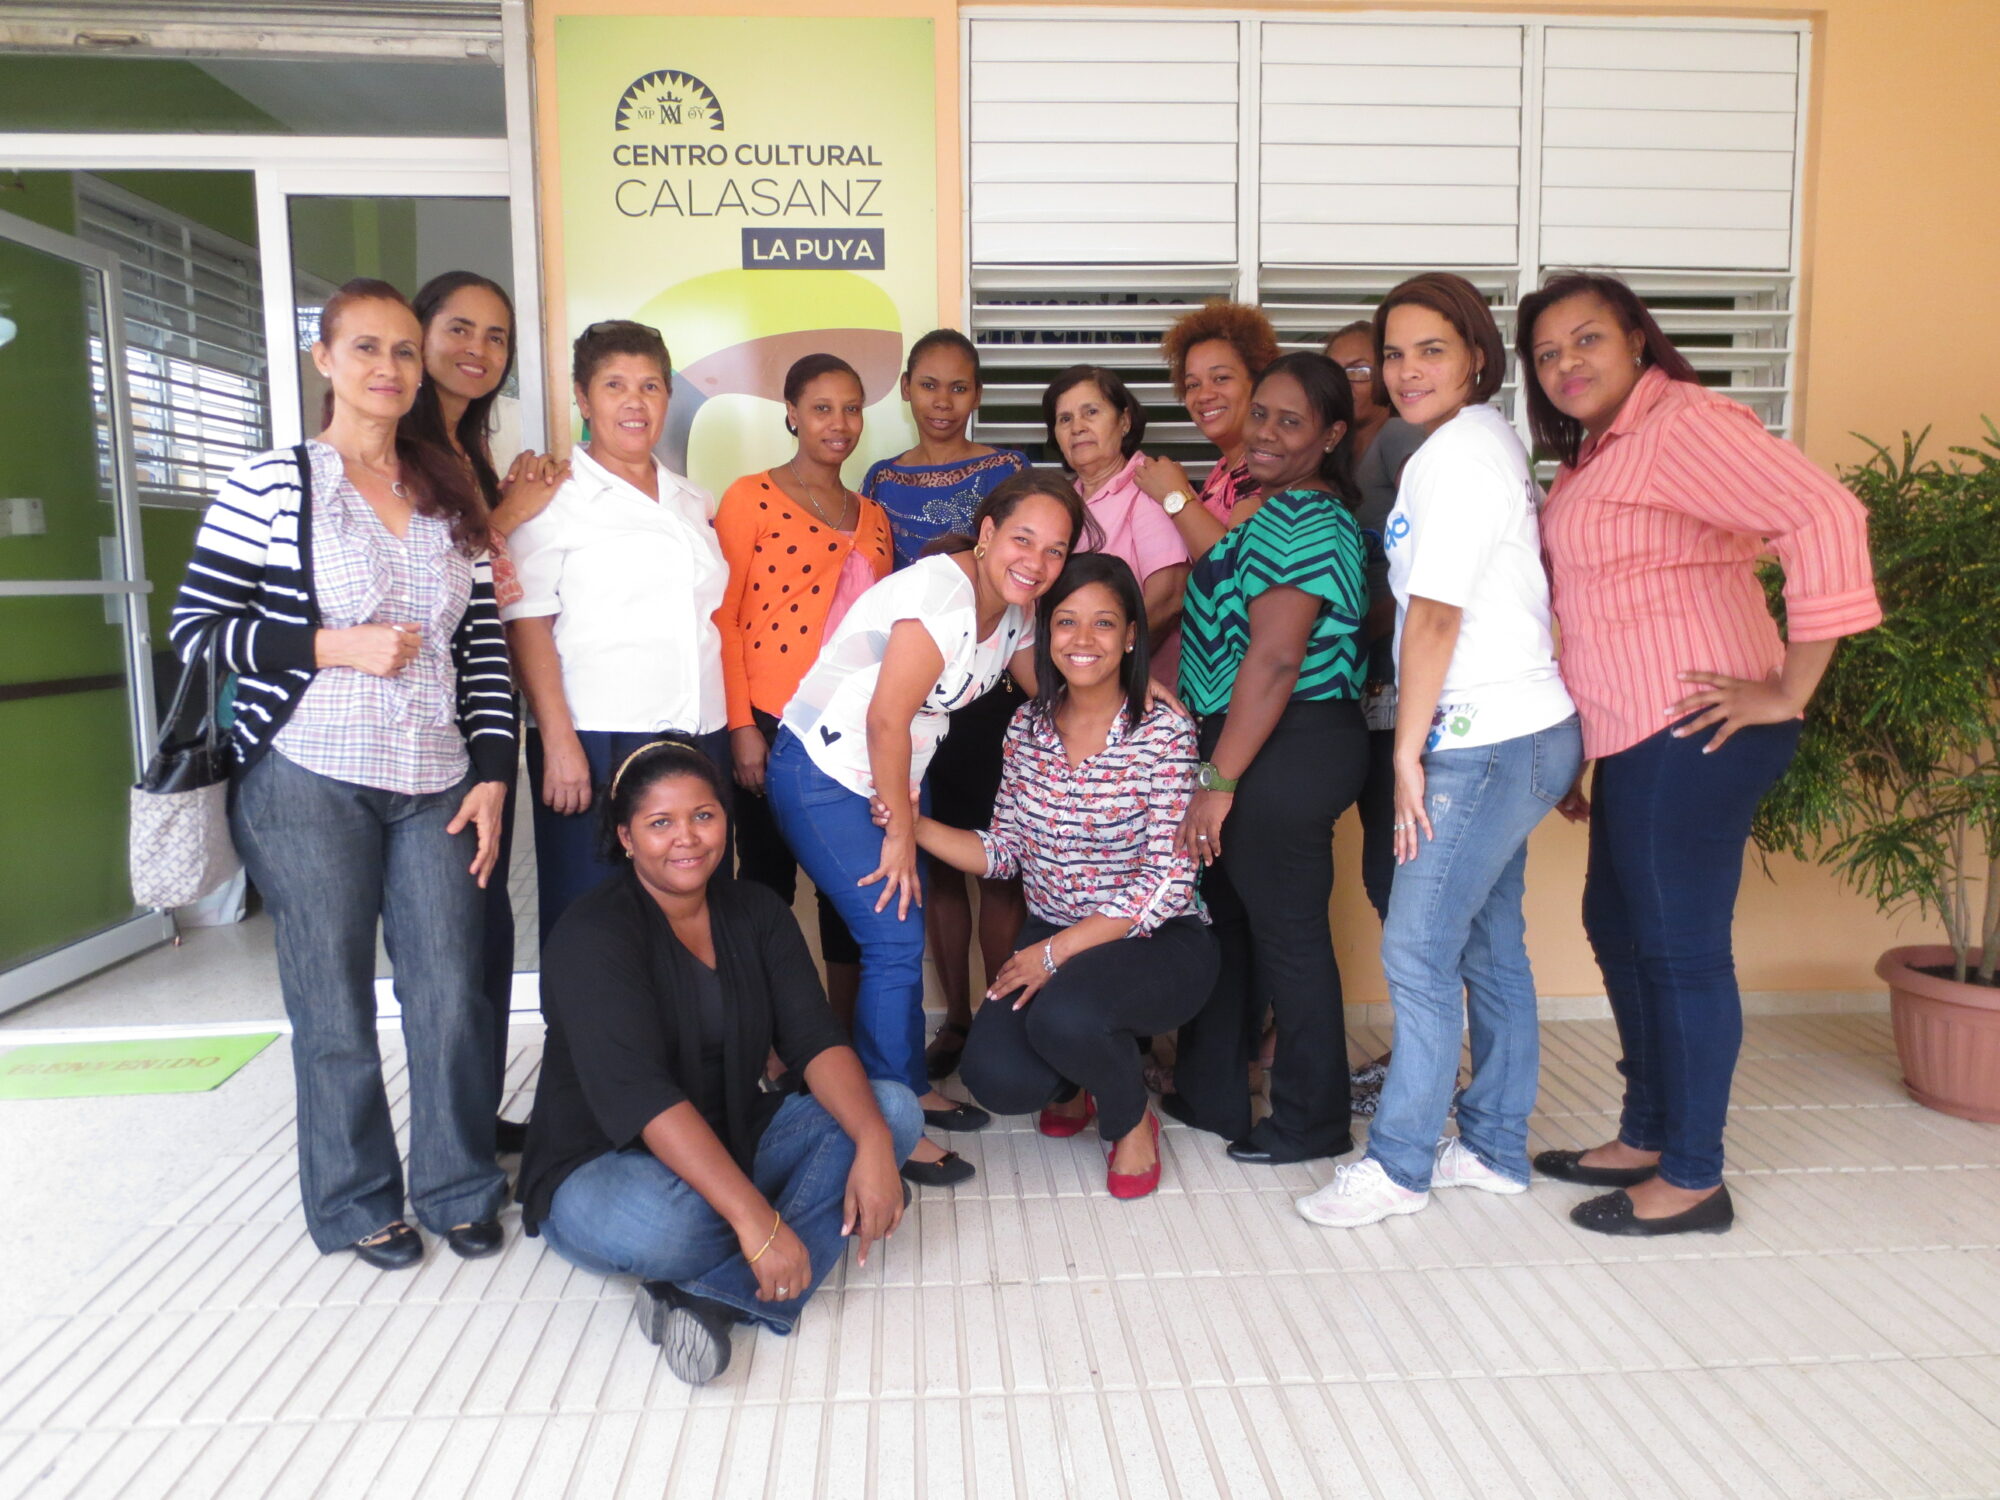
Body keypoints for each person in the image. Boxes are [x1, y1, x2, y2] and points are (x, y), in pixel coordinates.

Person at [1517, 271, 1880, 1237]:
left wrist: (1791, 688)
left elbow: (1825, 515)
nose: (1565, 364)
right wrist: (1585, 744)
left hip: (1695, 730)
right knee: (1617, 924)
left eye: (1586, 340)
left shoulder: (1683, 422)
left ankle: (1692, 1179)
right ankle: (1646, 1133)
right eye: (1546, 354)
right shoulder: (1603, 449)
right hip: (1637, 731)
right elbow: (1604, 607)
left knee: (1678, 950)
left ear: (1637, 338)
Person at [169, 279, 513, 1268]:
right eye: (366, 348)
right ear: (324, 359)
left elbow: (480, 645)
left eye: (404, 351)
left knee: (451, 988)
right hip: (307, 774)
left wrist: (494, 769)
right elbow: (196, 630)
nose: (388, 368)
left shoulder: (446, 490)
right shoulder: (274, 485)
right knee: (332, 1000)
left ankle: (457, 1185)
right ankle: (356, 1200)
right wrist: (328, 644)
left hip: (438, 775)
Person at [1296, 274, 1581, 1229]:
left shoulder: (1454, 457)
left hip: (1483, 737)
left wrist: (1408, 750)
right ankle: (1494, 1147)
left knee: (1418, 948)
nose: (1408, 370)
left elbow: (1434, 618)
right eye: (1394, 353)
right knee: (1490, 945)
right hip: (1516, 729)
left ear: (1476, 358)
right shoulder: (1474, 440)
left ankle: (1400, 1164)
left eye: (1432, 351)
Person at [519, 739, 921, 1386]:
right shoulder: (592, 935)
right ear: (625, 837)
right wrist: (757, 1220)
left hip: (731, 1134)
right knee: (679, 1225)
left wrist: (874, 1144)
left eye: (703, 816)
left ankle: (708, 1300)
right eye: (660, 823)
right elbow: (643, 1098)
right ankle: (777, 1227)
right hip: (604, 1166)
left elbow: (815, 1039)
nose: (687, 838)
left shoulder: (757, 910)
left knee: (893, 1111)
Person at [765, 473, 1093, 1187]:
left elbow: (1049, 690)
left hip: (887, 781)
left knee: (893, 935)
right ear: (987, 533)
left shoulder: (1012, 608)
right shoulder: (941, 597)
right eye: (1023, 540)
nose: (1036, 562)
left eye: (1055, 550)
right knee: (893, 934)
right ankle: (887, 1123)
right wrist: (898, 835)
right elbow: (885, 718)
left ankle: (905, 1090)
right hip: (825, 772)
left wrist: (1128, 691)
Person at [895, 553, 1216, 1198]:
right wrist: (913, 826)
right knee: (996, 1078)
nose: (1083, 639)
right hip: (1054, 931)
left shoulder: (1164, 730)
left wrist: (1054, 953)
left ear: (1131, 636)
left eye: (1104, 623)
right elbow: (1007, 849)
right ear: (1046, 634)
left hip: (1158, 941)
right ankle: (1079, 1077)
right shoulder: (1027, 727)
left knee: (1064, 1016)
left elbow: (1167, 881)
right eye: (1066, 621)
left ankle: (1130, 1119)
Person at [1159, 352, 1369, 1165]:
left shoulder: (1307, 517)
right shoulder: (1270, 511)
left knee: (1288, 936)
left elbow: (1277, 659)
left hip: (1289, 740)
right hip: (1252, 740)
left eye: (1292, 421)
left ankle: (1313, 1122)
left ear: (1332, 435)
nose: (1267, 433)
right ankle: (1211, 1093)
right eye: (1262, 415)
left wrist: (1218, 781)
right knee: (1230, 923)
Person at [501, 320, 730, 940]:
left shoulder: (692, 501)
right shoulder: (552, 497)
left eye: (650, 386)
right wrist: (558, 740)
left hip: (699, 734)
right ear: (583, 398)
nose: (635, 402)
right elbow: (527, 622)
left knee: (694, 916)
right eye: (614, 385)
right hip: (595, 737)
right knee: (592, 920)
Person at [410, 269, 569, 1155]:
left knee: (485, 930)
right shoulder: (397, 444)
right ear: (420, 332)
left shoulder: (460, 446)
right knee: (451, 939)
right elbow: (435, 568)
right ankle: (453, 1141)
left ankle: (469, 1118)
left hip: (480, 716)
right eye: (459, 328)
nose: (478, 349)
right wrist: (511, 511)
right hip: (422, 725)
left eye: (496, 335)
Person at [861, 330, 1030, 1082]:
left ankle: (1004, 1016)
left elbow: (1030, 580)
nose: (942, 401)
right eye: (928, 385)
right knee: (936, 869)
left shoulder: (1008, 470)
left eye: (959, 387)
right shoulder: (881, 478)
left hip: (995, 693)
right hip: (918, 701)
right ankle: (959, 1019)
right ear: (905, 387)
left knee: (998, 865)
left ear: (978, 395)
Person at [717, 355, 895, 1029]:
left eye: (851, 408)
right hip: (770, 719)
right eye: (822, 408)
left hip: (851, 729)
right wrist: (741, 726)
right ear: (791, 414)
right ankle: (767, 1039)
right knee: (765, 882)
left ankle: (838, 1038)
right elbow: (725, 619)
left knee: (847, 886)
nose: (839, 423)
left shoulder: (874, 516)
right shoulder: (750, 497)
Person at [1324, 320, 1429, 1112]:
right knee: (1374, 870)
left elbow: (1418, 572)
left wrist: (1363, 624)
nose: (1354, 381)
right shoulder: (1339, 453)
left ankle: (1425, 1061)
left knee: (1397, 875)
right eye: (1340, 371)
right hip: (1356, 696)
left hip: (1397, 695)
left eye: (1365, 366)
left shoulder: (1400, 441)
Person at [1042, 364, 1192, 678]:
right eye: (1065, 419)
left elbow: (1168, 599)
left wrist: (1109, 674)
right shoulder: (1061, 502)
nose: (1077, 427)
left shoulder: (1147, 486)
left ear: (1124, 421)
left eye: (1091, 412)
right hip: (1074, 679)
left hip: (1135, 684)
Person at [1135, 299, 1283, 547]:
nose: (1204, 395)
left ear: (1259, 382)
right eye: (1193, 384)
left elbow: (1233, 562)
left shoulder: (1263, 465)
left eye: (1221, 378)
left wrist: (1173, 493)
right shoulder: (1225, 467)